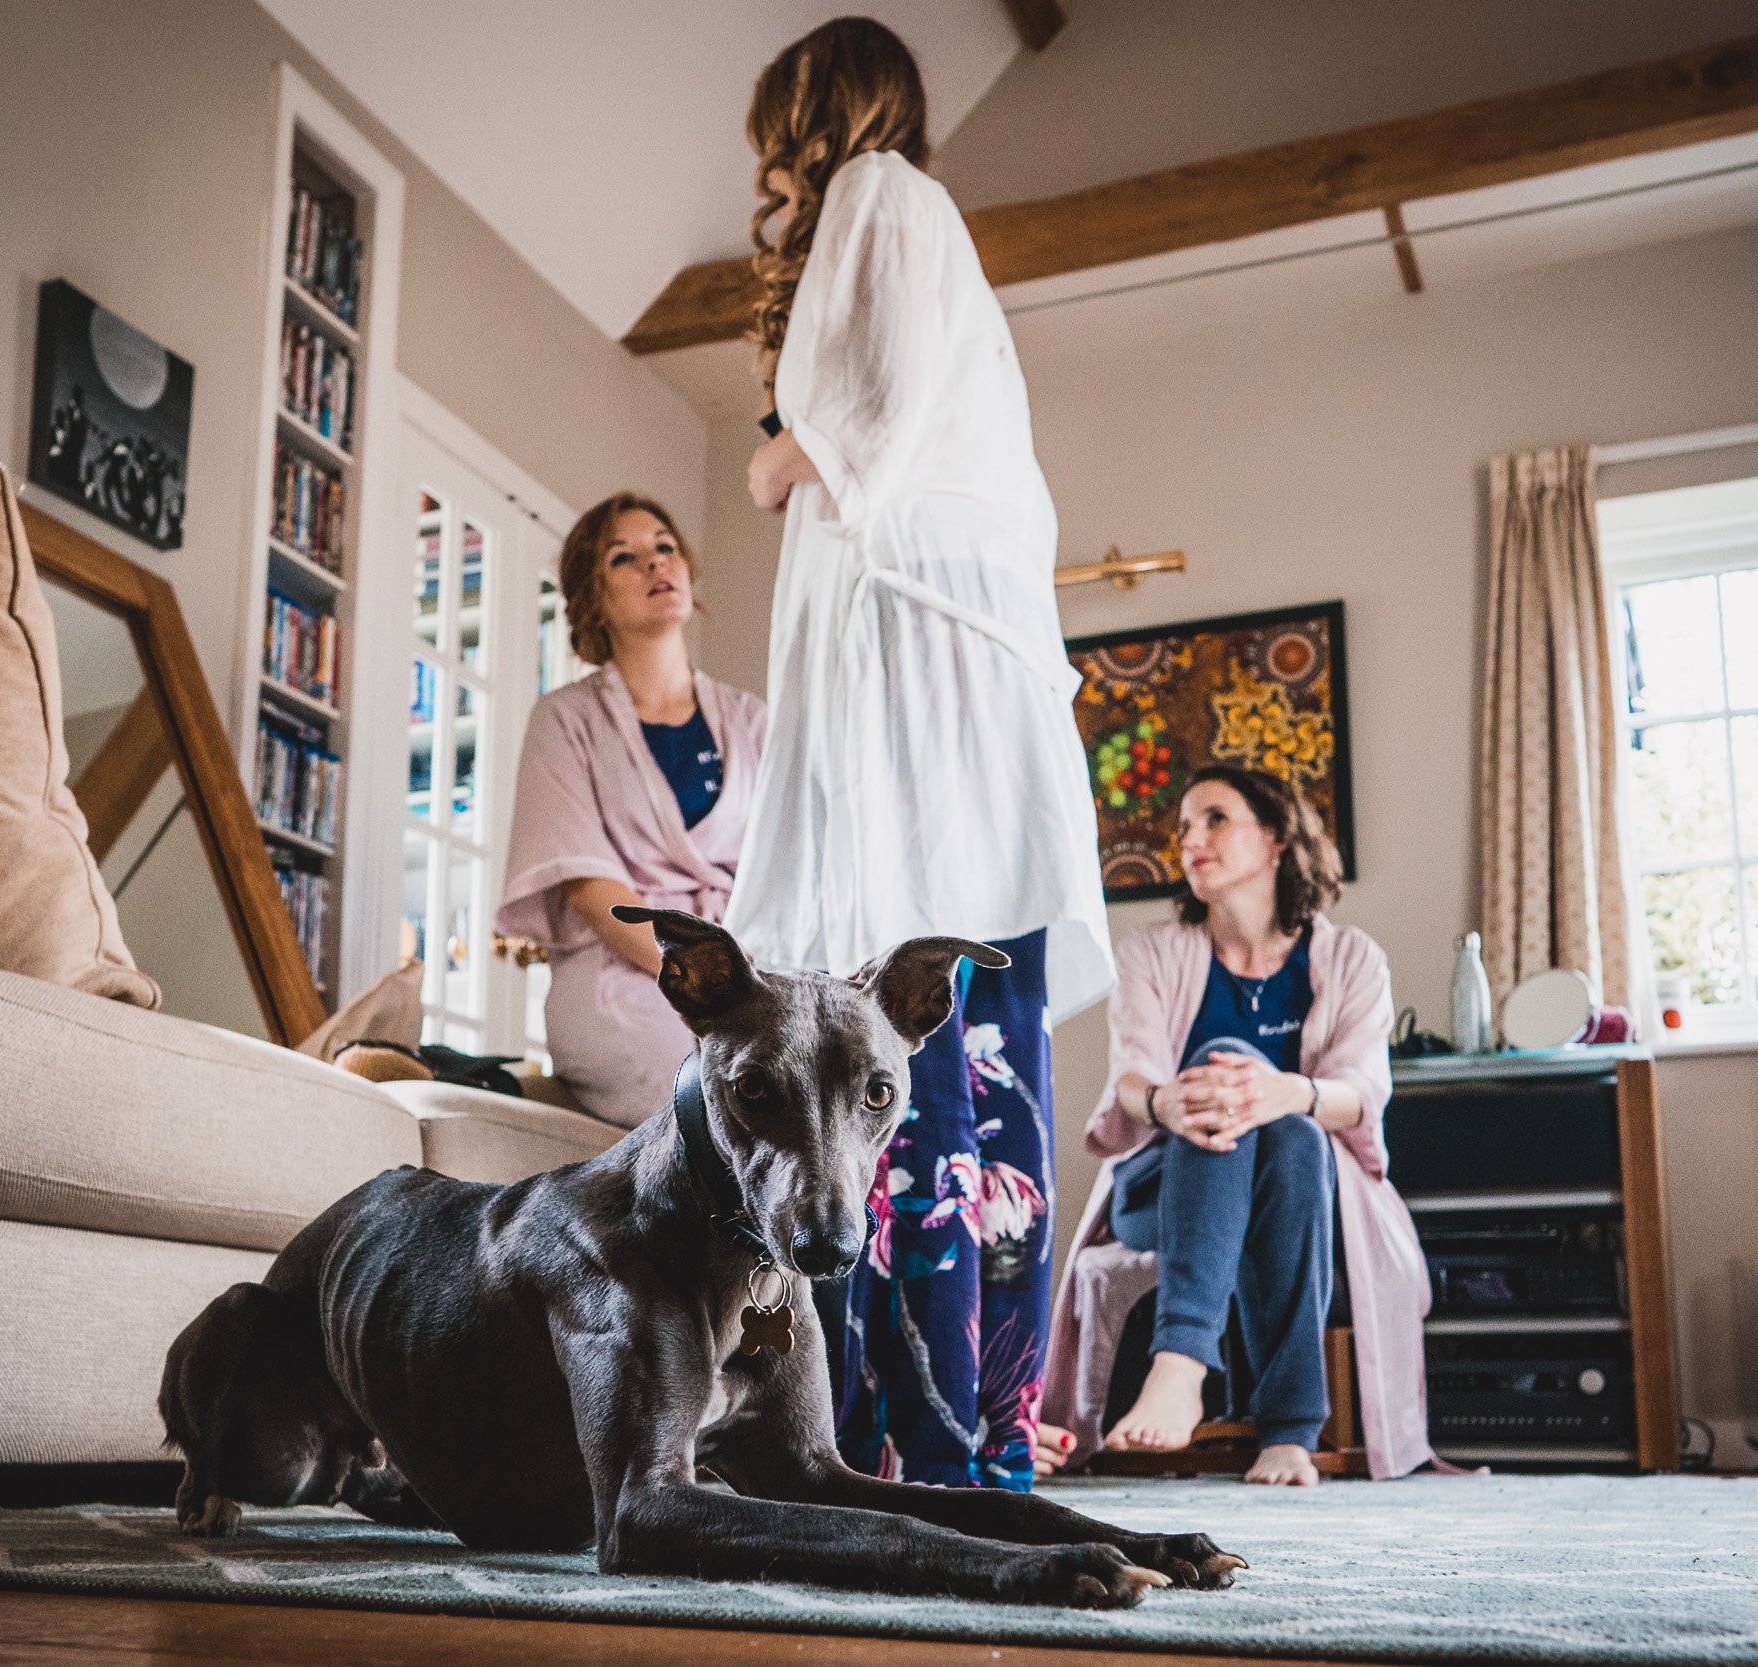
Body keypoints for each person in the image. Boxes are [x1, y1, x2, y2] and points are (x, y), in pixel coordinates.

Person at [725, 18, 1110, 1493]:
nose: (770, 165)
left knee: (925, 1031)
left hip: (918, 667)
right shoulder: (928, 223)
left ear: (820, 109)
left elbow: (859, 425)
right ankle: (981, 1428)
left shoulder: (883, 195)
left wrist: (775, 453)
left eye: (778, 128)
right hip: (955, 674)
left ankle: (922, 1429)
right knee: (982, 1035)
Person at [1044, 766, 1440, 1484]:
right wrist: (1167, 1102)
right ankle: (1261, 1408)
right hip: (1161, 1187)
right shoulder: (1150, 952)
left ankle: (1204, 1380)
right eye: (1185, 827)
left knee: (1288, 1132)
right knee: (1227, 1074)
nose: (1192, 839)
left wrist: (1282, 1091)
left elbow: (1360, 1093)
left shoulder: (1352, 959)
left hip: (1304, 1182)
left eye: (1215, 819)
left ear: (1277, 836)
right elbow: (1131, 1077)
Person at [495, 495, 766, 1130]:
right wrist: (715, 986)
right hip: (622, 975)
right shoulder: (563, 720)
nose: (654, 563)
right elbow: (594, 894)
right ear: (593, 599)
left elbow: (792, 868)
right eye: (625, 558)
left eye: (664, 546)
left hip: (756, 964)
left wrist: (754, 988)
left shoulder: (755, 721)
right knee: (717, 1094)